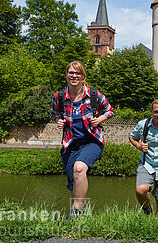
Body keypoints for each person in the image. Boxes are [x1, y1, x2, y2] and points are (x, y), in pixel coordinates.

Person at [51, 61, 113, 218]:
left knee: (79, 168)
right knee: (73, 184)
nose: (74, 76)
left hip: (92, 141)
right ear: (66, 75)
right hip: (70, 144)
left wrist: (99, 120)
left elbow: (109, 110)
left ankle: (77, 212)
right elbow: (54, 113)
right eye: (71, 73)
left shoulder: (93, 94)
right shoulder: (59, 97)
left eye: (77, 73)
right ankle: (76, 218)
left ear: (83, 76)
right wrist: (58, 120)